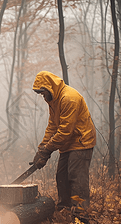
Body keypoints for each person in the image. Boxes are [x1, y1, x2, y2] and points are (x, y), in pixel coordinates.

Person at [32, 71, 96, 215]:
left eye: (43, 93)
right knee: (61, 176)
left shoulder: (69, 98)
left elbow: (65, 131)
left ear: (49, 88)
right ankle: (64, 210)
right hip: (67, 144)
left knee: (76, 177)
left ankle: (80, 213)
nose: (43, 97)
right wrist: (41, 149)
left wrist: (47, 151)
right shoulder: (53, 100)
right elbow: (52, 127)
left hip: (81, 141)